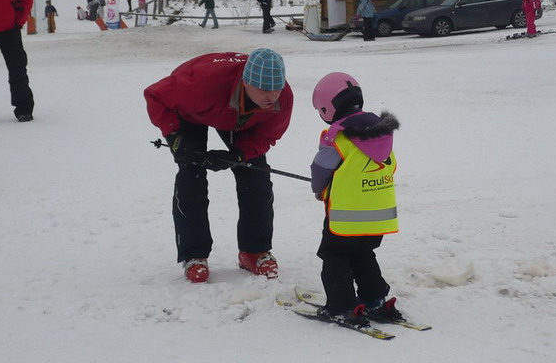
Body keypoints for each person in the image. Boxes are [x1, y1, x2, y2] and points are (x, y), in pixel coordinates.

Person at [143, 48, 294, 283]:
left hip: (241, 118)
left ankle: (254, 251)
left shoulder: (282, 99)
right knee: (191, 172)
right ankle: (194, 254)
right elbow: (155, 95)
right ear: (246, 81)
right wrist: (175, 136)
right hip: (195, 110)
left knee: (256, 176)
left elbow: (266, 135)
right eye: (265, 89)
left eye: (277, 88)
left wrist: (238, 155)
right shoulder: (200, 84)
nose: (272, 96)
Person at [309, 72, 401, 327]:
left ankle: (342, 307)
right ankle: (376, 300)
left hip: (345, 217)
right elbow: (389, 167)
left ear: (328, 107)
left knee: (334, 255)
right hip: (378, 215)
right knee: (363, 253)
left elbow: (320, 170)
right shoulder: (381, 133)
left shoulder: (337, 137)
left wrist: (319, 189)